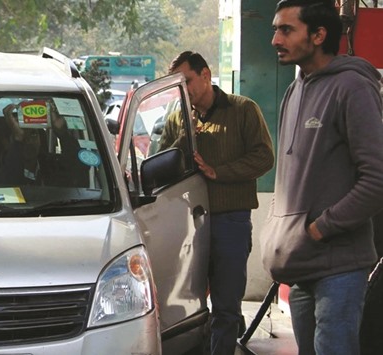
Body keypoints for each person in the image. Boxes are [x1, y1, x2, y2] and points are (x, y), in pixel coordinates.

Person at [262, 1, 383, 354]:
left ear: (318, 35)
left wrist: (320, 228)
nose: (275, 40)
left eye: (286, 30)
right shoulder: (293, 91)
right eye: (274, 29)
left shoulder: (353, 87)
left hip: (339, 267)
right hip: (301, 268)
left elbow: (377, 179)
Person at [159, 51, 274, 355]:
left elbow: (264, 157)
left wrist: (218, 172)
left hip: (229, 220)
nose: (184, 90)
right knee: (182, 308)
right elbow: (158, 164)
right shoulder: (177, 117)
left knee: (226, 304)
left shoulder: (243, 110)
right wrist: (184, 136)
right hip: (185, 225)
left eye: (187, 81)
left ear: (206, 75)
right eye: (177, 85)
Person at [0, 102, 86, 187]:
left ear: (41, 139)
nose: (29, 141)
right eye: (22, 135)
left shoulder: (51, 167)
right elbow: (8, 182)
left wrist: (62, 134)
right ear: (7, 143)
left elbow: (79, 171)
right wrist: (18, 140)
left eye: (33, 134)